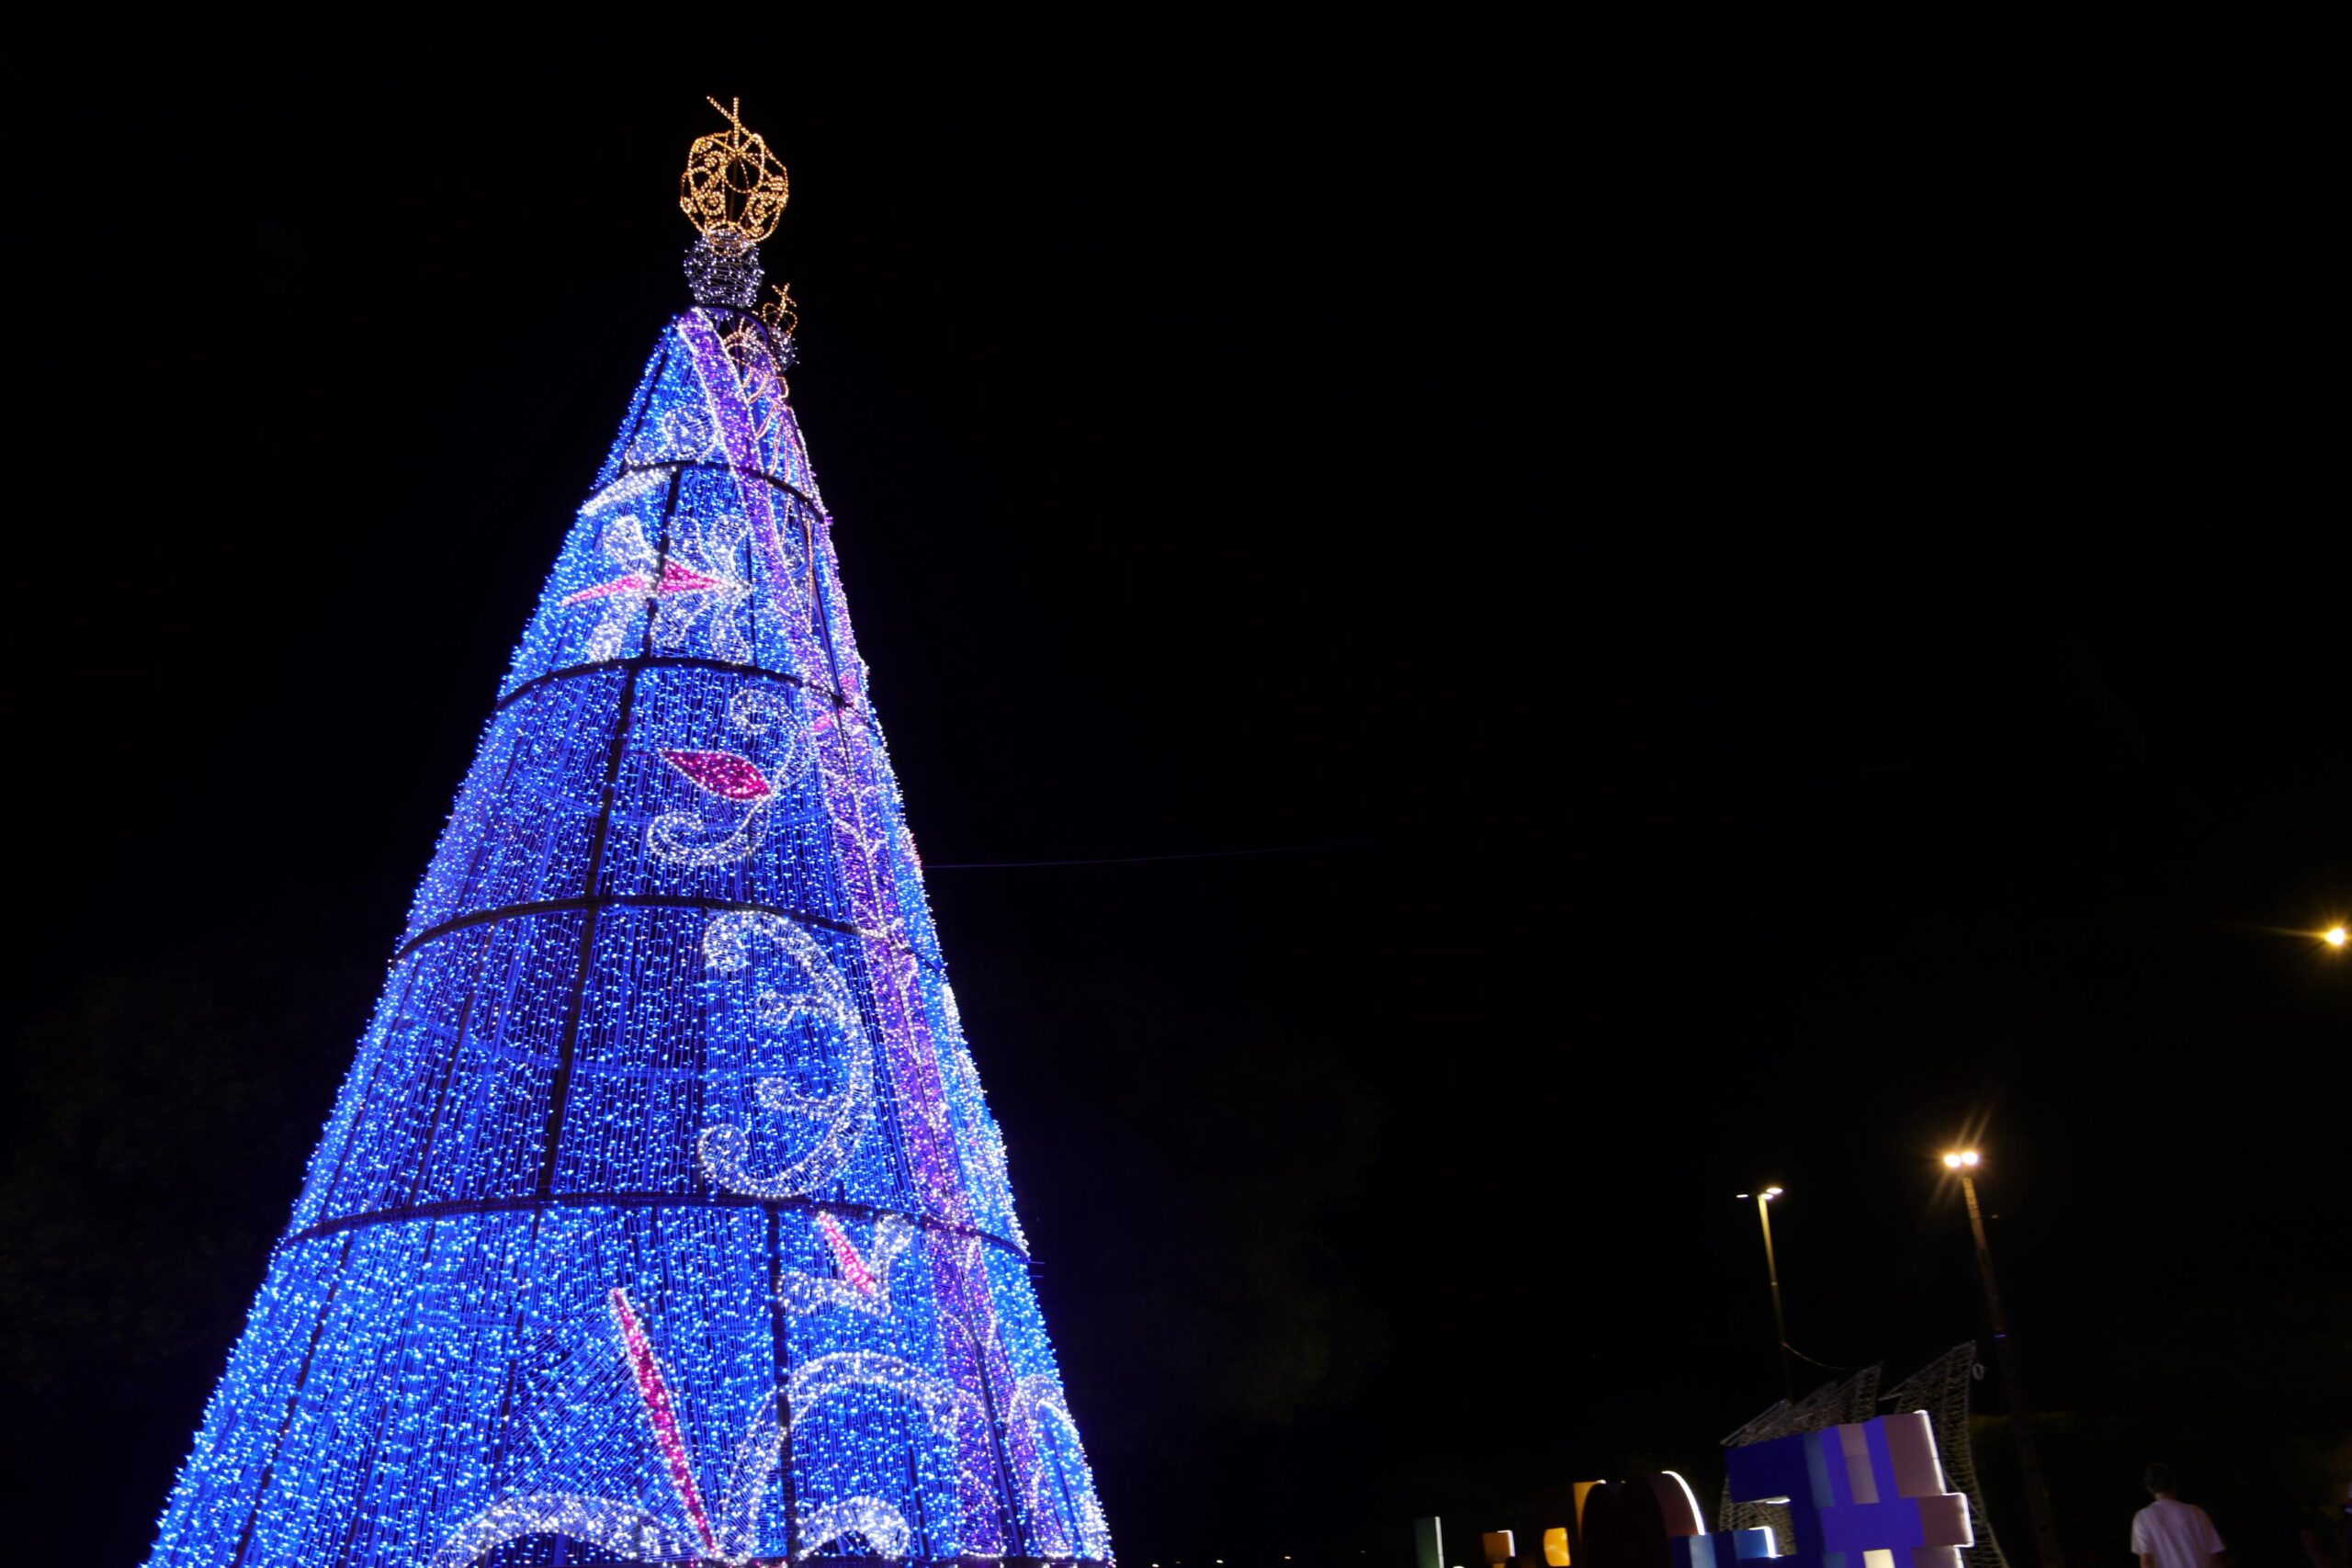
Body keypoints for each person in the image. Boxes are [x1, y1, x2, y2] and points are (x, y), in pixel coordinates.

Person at [2133, 1464, 2232, 1568]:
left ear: (2149, 1488)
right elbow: (2215, 1556)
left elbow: (2147, 1562)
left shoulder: (2142, 1518)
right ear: (2174, 1484)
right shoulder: (2196, 1512)